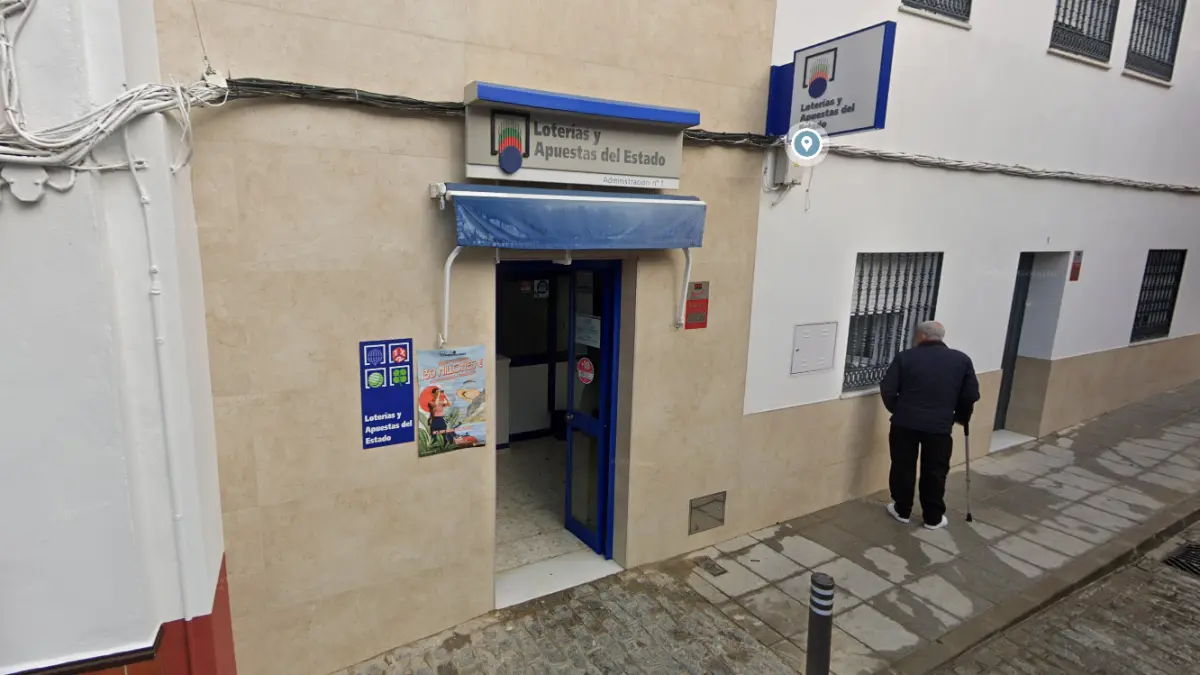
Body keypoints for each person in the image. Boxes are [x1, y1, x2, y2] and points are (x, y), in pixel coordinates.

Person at [879, 320, 980, 530]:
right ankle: (933, 517)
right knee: (935, 470)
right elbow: (970, 394)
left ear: (922, 336)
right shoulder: (961, 360)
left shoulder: (905, 357)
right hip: (939, 426)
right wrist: (961, 417)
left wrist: (898, 409)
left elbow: (888, 389)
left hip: (904, 423)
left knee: (902, 466)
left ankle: (902, 510)